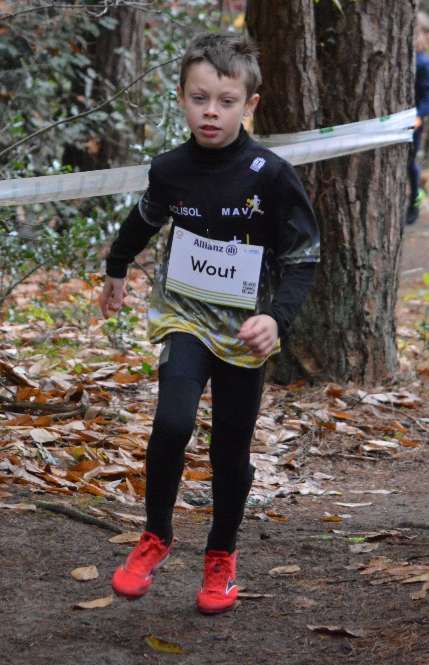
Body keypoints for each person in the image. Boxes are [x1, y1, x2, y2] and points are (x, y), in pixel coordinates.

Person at [98, 33, 319, 616]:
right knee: (172, 424)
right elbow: (144, 218)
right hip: (186, 318)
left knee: (229, 450)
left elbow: (304, 258)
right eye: (200, 99)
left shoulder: (271, 174)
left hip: (245, 331)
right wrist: (116, 268)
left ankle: (221, 554)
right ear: (181, 99)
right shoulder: (170, 169)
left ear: (250, 105)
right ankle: (156, 536)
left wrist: (276, 317)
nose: (211, 112)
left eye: (225, 101)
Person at [408, 11, 429, 225]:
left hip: (414, 124)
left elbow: (428, 97)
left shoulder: (424, 64)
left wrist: (418, 117)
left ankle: (414, 201)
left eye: (416, 33)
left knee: (410, 162)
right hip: (399, 121)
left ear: (426, 37)